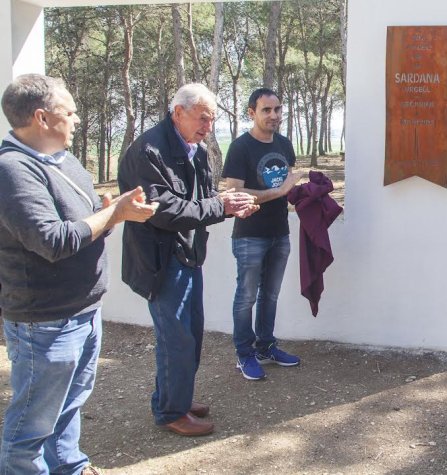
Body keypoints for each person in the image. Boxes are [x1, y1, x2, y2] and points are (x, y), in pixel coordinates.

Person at [0, 74, 157, 474]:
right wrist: (112, 212)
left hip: (83, 309)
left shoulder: (63, 161)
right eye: (69, 112)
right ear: (42, 118)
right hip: (46, 319)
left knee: (69, 403)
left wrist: (113, 214)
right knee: (32, 423)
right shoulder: (13, 170)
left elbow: (87, 222)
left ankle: (70, 465)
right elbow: (52, 240)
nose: (76, 119)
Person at [118, 83, 258, 437]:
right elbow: (162, 210)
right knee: (175, 338)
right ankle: (170, 412)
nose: (208, 127)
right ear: (177, 112)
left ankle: (175, 397)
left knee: (190, 334)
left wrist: (231, 206)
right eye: (203, 118)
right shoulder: (147, 151)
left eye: (212, 119)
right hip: (161, 260)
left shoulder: (195, 150)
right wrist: (219, 206)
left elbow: (205, 198)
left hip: (189, 254)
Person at [222, 88, 306, 380]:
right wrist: (277, 192)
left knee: (270, 295)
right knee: (246, 298)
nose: (273, 116)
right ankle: (244, 354)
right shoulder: (240, 147)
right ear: (251, 113)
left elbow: (288, 186)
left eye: (278, 110)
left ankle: (265, 347)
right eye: (266, 110)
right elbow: (234, 192)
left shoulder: (284, 144)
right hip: (249, 235)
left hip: (279, 232)